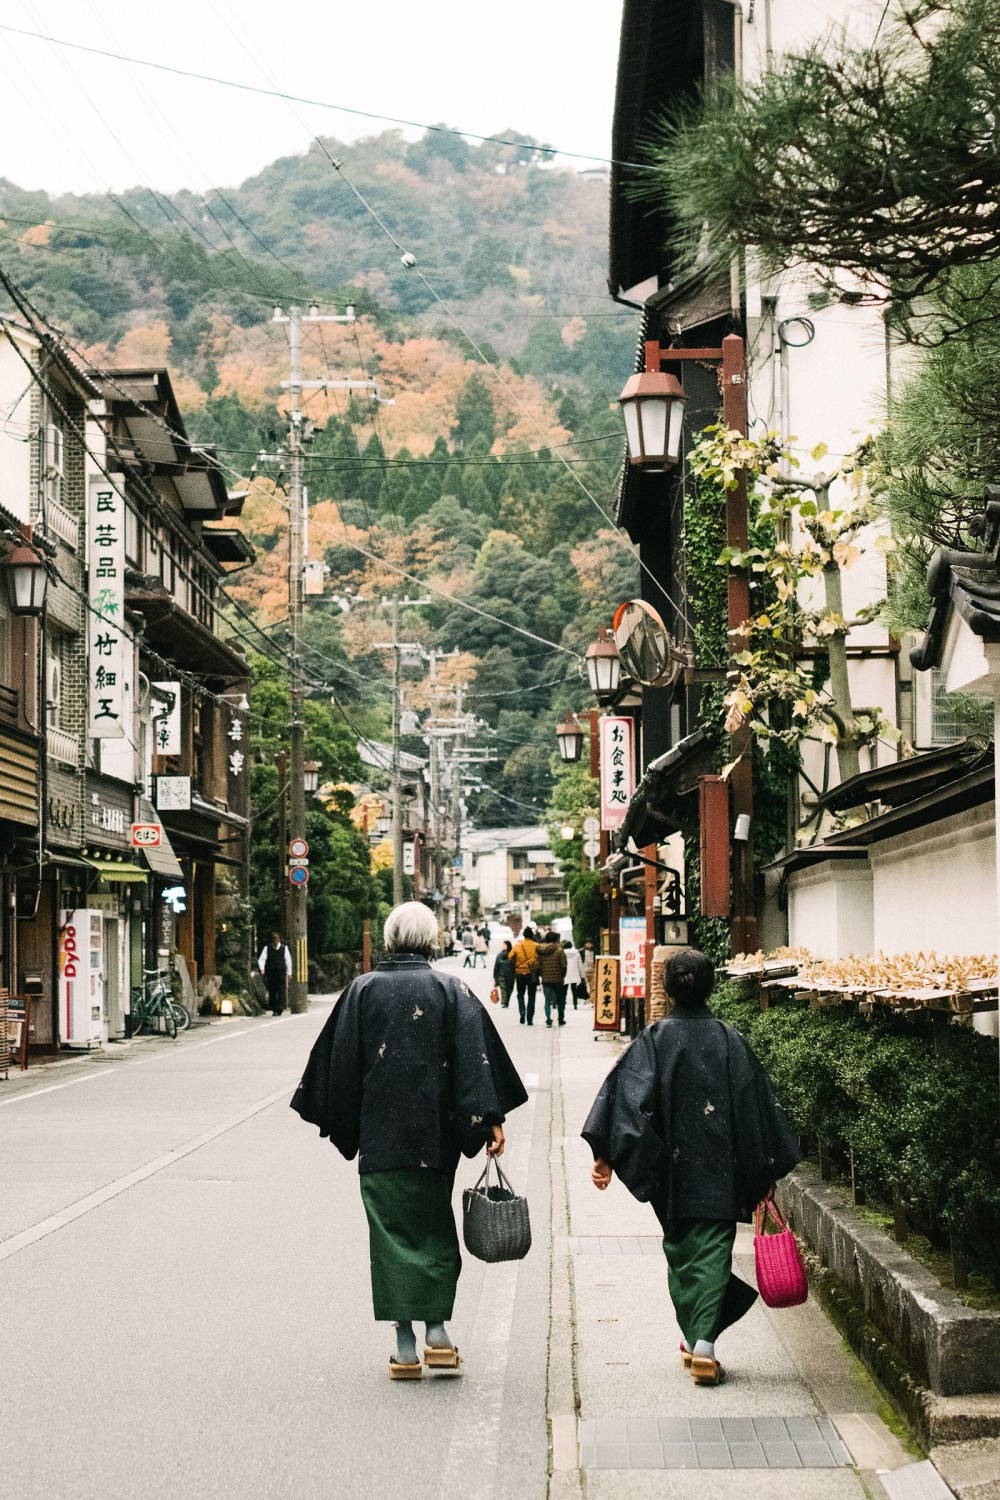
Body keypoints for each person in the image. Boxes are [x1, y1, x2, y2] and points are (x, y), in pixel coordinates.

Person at [291, 901, 527, 1380]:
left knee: (390, 1237)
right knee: (435, 1227)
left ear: (390, 938)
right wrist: (490, 1121)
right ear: (432, 940)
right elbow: (474, 1062)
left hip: (381, 1138)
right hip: (435, 1138)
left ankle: (404, 1346)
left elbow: (339, 1065)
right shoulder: (451, 990)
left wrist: (345, 1121)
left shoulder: (361, 991)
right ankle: (438, 1333)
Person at [582, 948, 800, 1387]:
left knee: (684, 1254)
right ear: (710, 987)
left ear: (667, 989)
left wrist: (606, 1154)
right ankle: (701, 1343)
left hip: (672, 1173)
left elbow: (628, 1102)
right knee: (711, 1253)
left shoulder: (654, 1039)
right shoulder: (728, 1039)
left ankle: (701, 1342)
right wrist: (766, 1169)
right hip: (721, 1170)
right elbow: (753, 1107)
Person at [535, 930, 568, 1027]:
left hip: (546, 979)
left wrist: (542, 974)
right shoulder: (560, 950)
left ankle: (548, 1019)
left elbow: (538, 965)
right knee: (560, 1000)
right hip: (558, 979)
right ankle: (560, 1019)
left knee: (547, 1000)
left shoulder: (541, 951)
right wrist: (562, 975)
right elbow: (563, 965)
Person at [509, 926, 540, 1025]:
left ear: (523, 935)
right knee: (532, 996)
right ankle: (530, 1018)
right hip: (532, 973)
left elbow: (510, 957)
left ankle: (522, 1011)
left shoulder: (518, 946)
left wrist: (516, 964)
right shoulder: (536, 946)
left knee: (520, 994)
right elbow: (539, 958)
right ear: (532, 935)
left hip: (520, 973)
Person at [258, 931, 292, 1016]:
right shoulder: (267, 948)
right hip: (271, 972)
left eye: (278, 938)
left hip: (281, 971)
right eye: (275, 939)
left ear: (280, 939)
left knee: (281, 990)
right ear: (272, 940)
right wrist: (262, 969)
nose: (276, 940)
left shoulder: (284, 948)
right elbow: (262, 959)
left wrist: (289, 973)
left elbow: (288, 961)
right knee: (272, 991)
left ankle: (280, 1007)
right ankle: (274, 1008)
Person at [564, 940, 587, 1010]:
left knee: (564, 990)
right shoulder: (576, 953)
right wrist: (582, 975)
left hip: (565, 974)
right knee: (574, 990)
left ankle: (563, 1003)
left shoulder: (562, 953)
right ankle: (575, 1004)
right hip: (574, 974)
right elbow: (580, 965)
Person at [493, 940, 514, 1007]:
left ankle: (506, 1001)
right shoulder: (499, 955)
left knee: (510, 989)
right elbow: (496, 966)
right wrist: (495, 976)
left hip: (510, 975)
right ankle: (504, 1002)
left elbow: (515, 965)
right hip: (501, 975)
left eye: (505, 945)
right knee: (503, 989)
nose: (503, 946)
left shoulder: (512, 954)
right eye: (503, 945)